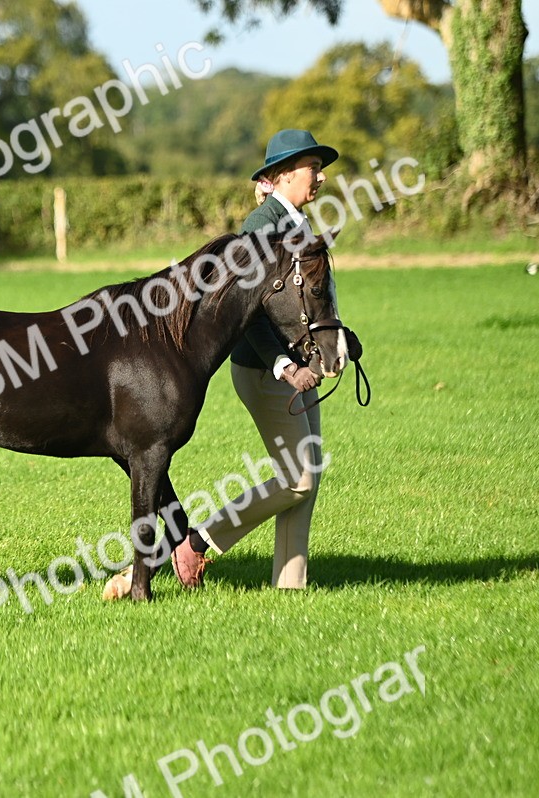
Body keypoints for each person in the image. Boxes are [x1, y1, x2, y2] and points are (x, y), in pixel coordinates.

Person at [166, 129, 353, 591]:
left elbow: (308, 302)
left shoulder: (298, 222)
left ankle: (290, 587)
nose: (321, 177)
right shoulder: (259, 226)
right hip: (266, 371)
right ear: (285, 174)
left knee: (306, 479)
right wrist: (286, 367)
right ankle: (198, 541)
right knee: (298, 480)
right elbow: (245, 313)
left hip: (301, 366)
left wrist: (336, 340)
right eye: (313, 167)